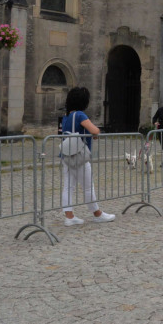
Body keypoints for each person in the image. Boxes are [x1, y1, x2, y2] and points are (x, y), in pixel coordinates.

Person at [60, 87, 115, 226]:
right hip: (79, 156)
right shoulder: (80, 115)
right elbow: (94, 130)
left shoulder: (66, 117)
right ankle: (97, 213)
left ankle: (69, 216)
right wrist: (95, 133)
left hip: (66, 156)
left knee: (68, 186)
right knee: (88, 187)